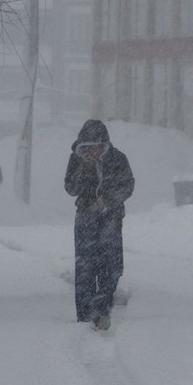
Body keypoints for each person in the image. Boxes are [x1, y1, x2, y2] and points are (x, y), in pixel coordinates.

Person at [64, 119, 134, 330]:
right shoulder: (76, 160)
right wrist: (83, 168)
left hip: (111, 217)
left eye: (95, 145)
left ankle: (102, 310)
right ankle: (85, 315)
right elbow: (70, 188)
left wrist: (110, 199)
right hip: (86, 217)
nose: (91, 150)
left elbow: (128, 185)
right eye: (87, 146)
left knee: (110, 266)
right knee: (85, 266)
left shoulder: (117, 158)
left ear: (104, 144)